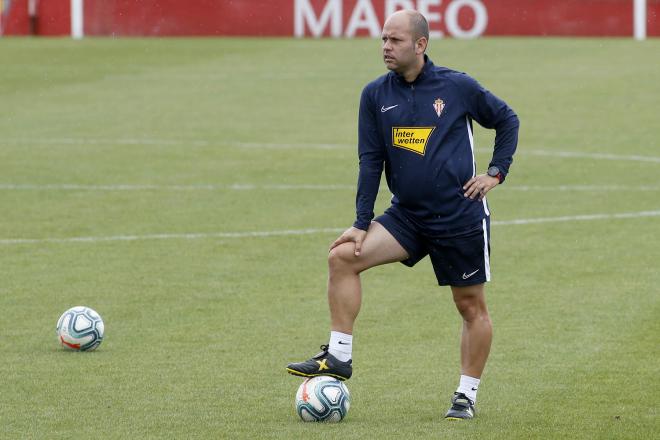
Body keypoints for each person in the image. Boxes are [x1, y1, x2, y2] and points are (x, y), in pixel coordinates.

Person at [286, 9, 519, 421]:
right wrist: (361, 223)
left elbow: (506, 119)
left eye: (394, 40)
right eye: (383, 40)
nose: (385, 48)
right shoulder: (376, 95)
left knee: (471, 308)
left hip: (458, 218)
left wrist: (495, 172)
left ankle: (465, 395)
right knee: (342, 256)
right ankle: (339, 356)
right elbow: (370, 160)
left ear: (420, 44)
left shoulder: (457, 86)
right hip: (407, 217)